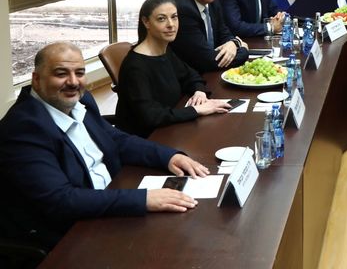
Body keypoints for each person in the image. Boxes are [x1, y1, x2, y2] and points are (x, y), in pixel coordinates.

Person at [0, 42, 209, 251]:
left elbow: (116, 140)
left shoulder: (80, 100)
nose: (73, 82)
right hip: (70, 233)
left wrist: (169, 156)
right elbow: (61, 200)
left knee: (193, 233)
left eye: (80, 73)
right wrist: (143, 199)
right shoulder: (24, 128)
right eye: (61, 74)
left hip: (110, 199)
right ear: (36, 79)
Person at [115, 0, 232, 138]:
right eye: (161, 19)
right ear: (146, 22)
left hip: (172, 128)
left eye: (174, 17)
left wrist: (199, 91)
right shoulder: (136, 66)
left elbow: (191, 75)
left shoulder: (165, 50)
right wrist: (197, 110)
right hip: (148, 140)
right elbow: (151, 116)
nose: (171, 24)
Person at [171, 0, 249, 73]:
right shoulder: (183, 8)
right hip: (191, 80)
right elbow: (208, 61)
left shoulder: (211, 0)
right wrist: (243, 50)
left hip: (211, 74)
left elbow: (224, 33)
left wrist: (233, 43)